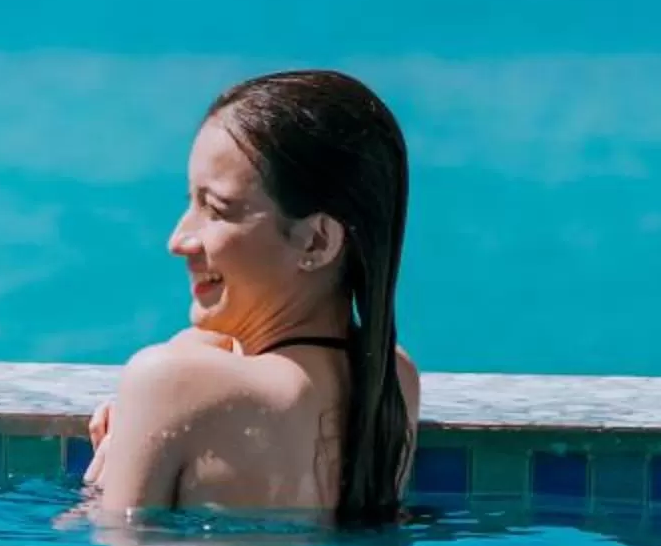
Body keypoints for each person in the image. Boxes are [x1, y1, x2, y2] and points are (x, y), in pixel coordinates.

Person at [85, 70, 418, 520]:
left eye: (216, 210)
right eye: (190, 203)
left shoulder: (170, 386)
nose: (179, 239)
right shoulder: (392, 381)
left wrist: (113, 459)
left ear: (317, 241)